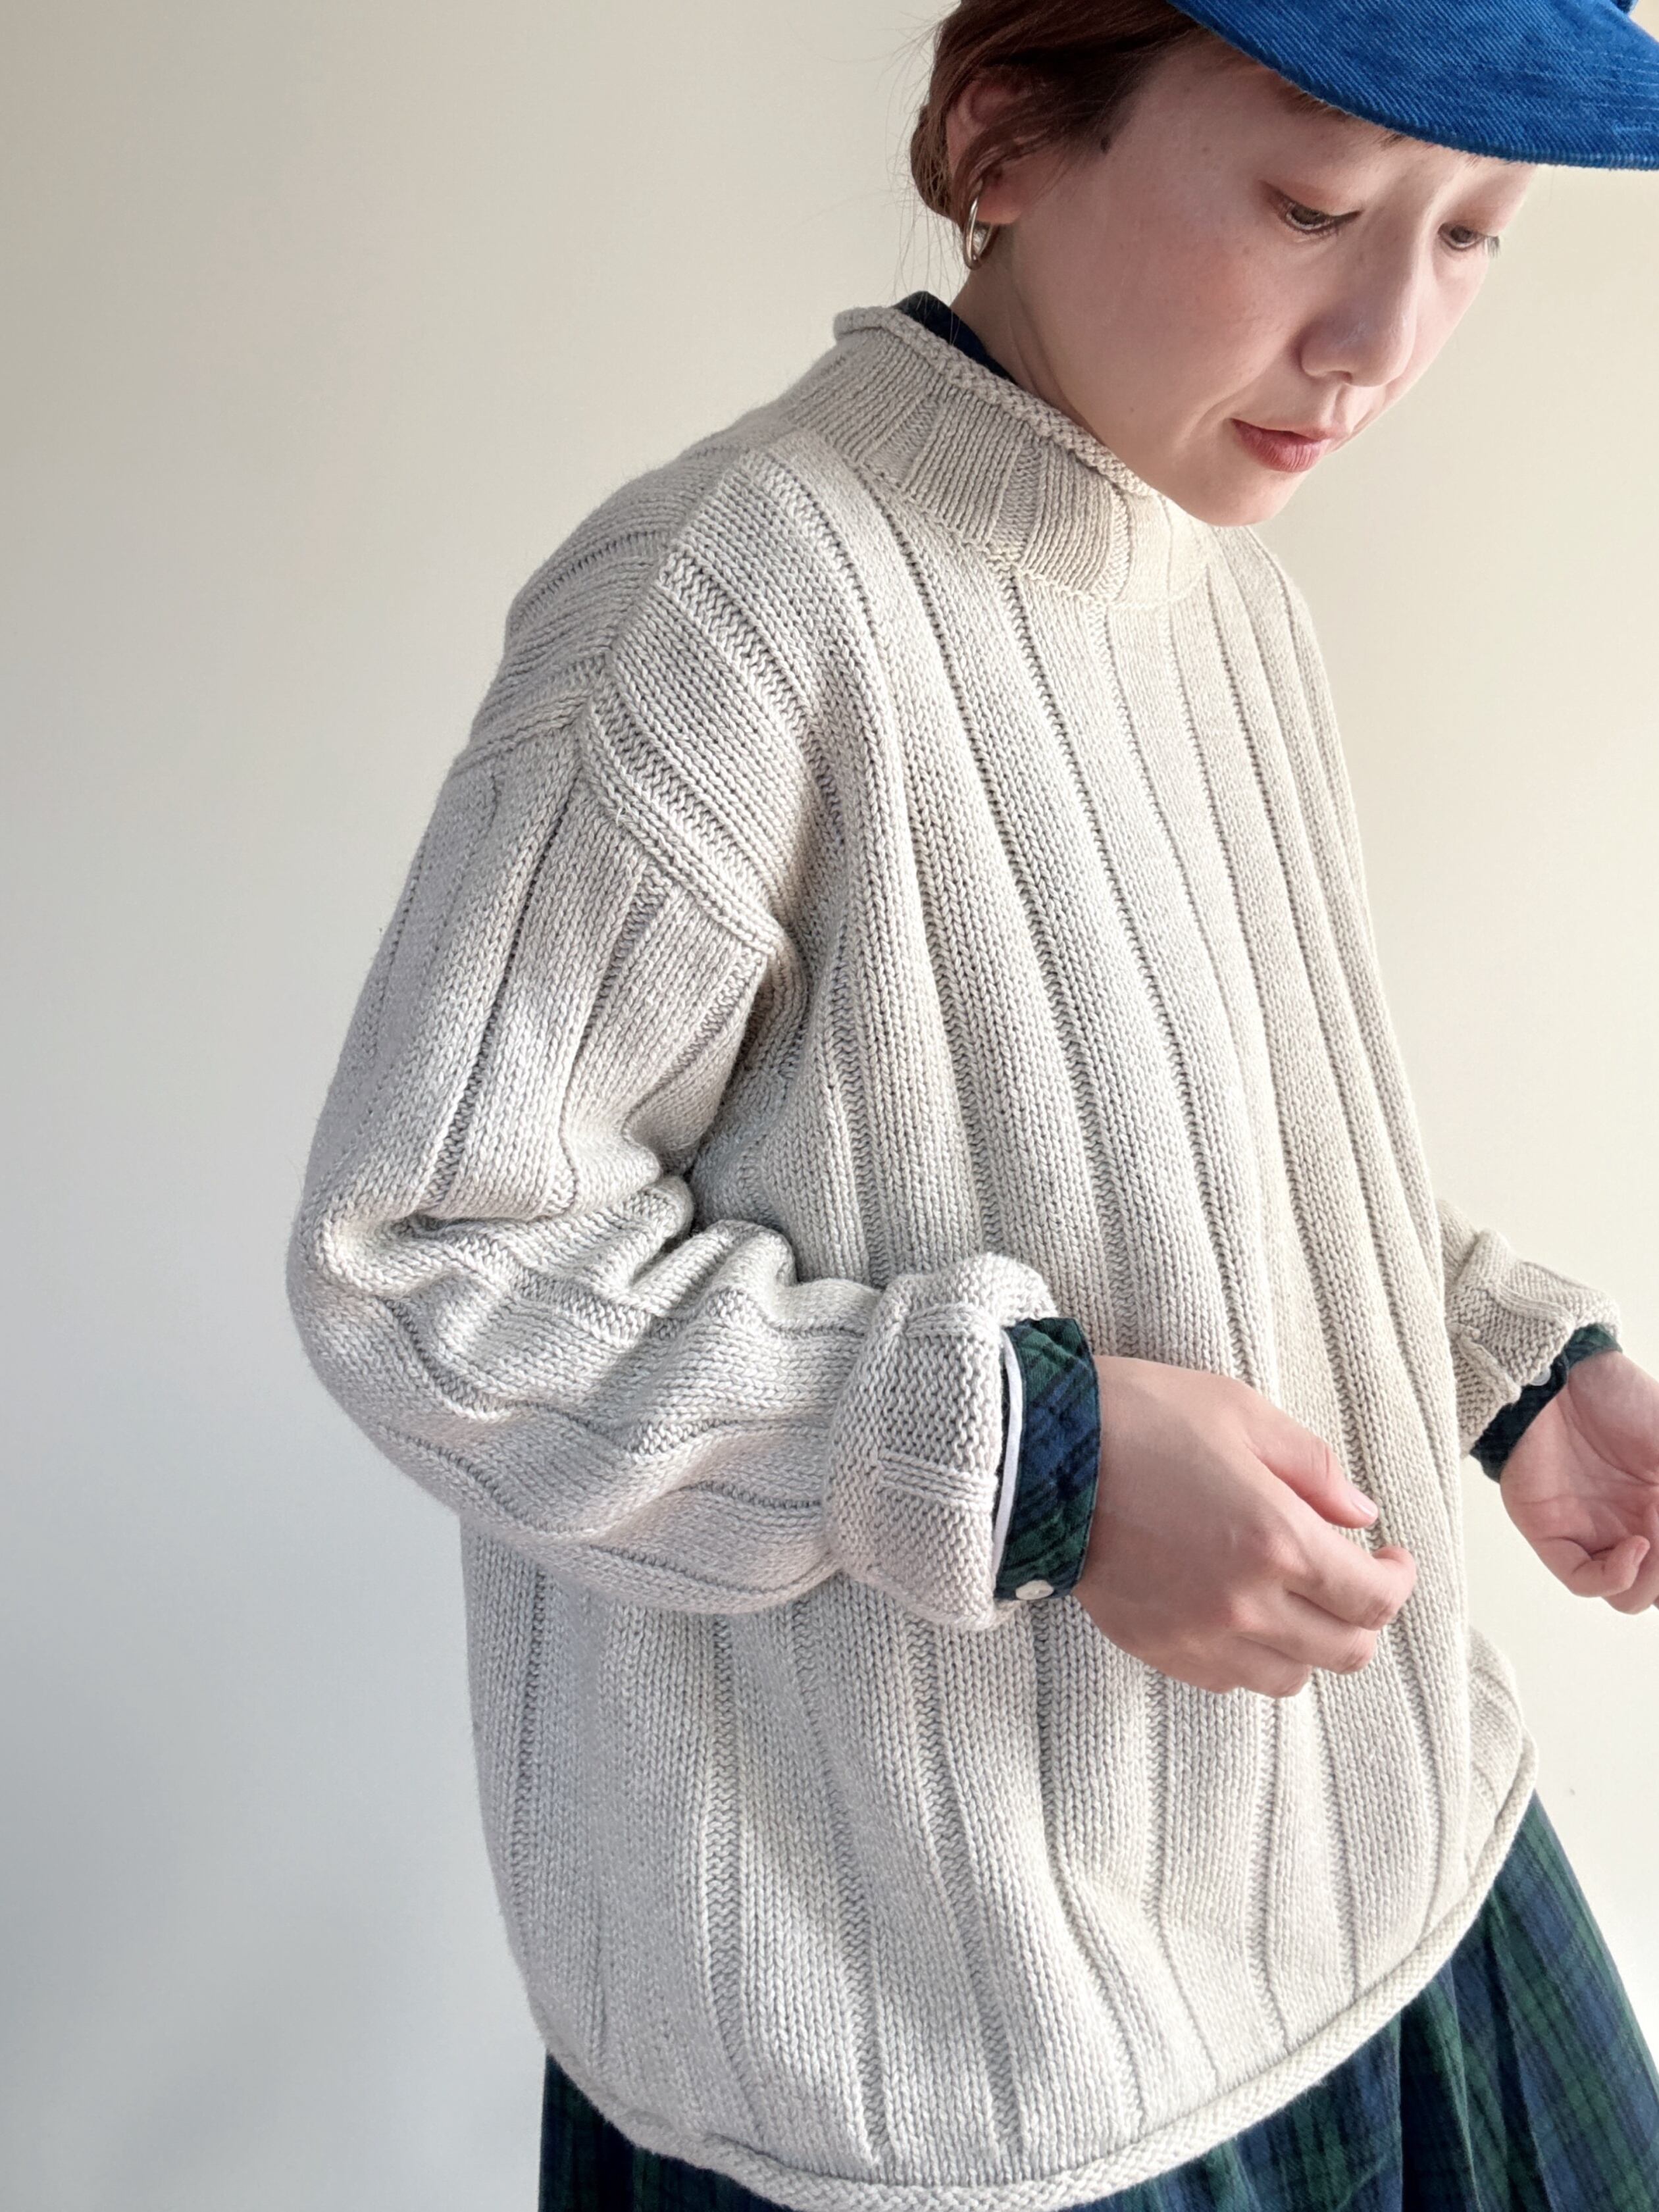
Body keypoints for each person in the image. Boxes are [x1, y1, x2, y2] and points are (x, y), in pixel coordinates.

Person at [284, 0, 1659, 2203]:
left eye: (1473, 231)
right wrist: (1044, 1466)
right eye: (1312, 204)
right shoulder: (725, 606)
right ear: (1005, 135)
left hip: (1376, 1862)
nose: (1385, 341)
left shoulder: (1221, 599)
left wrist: (1504, 1368)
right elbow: (430, 1265)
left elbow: (1218, 1145)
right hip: (947, 2040)